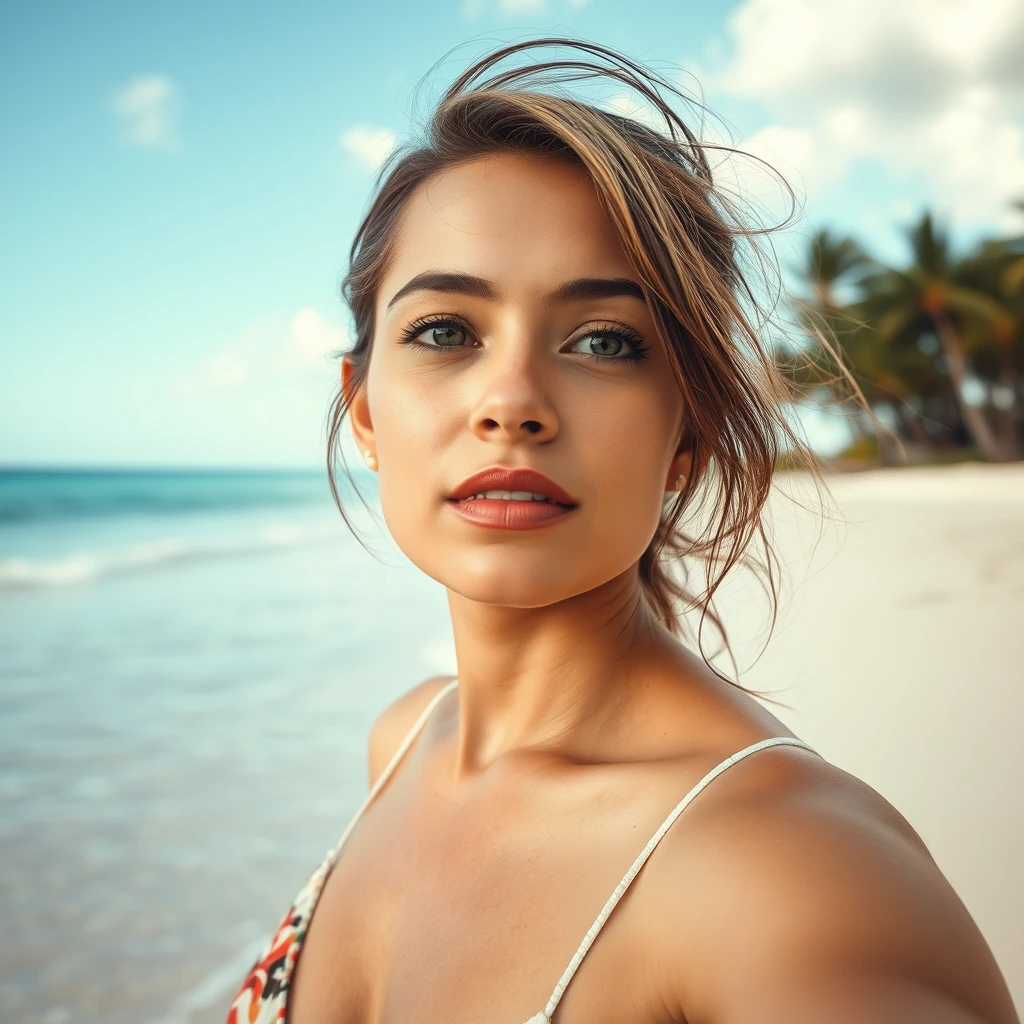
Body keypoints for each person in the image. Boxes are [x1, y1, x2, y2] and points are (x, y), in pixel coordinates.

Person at [226, 38, 1018, 1024]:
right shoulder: (404, 738)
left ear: (687, 433)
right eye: (445, 331)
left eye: (603, 341)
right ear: (366, 412)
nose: (511, 401)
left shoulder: (785, 868)